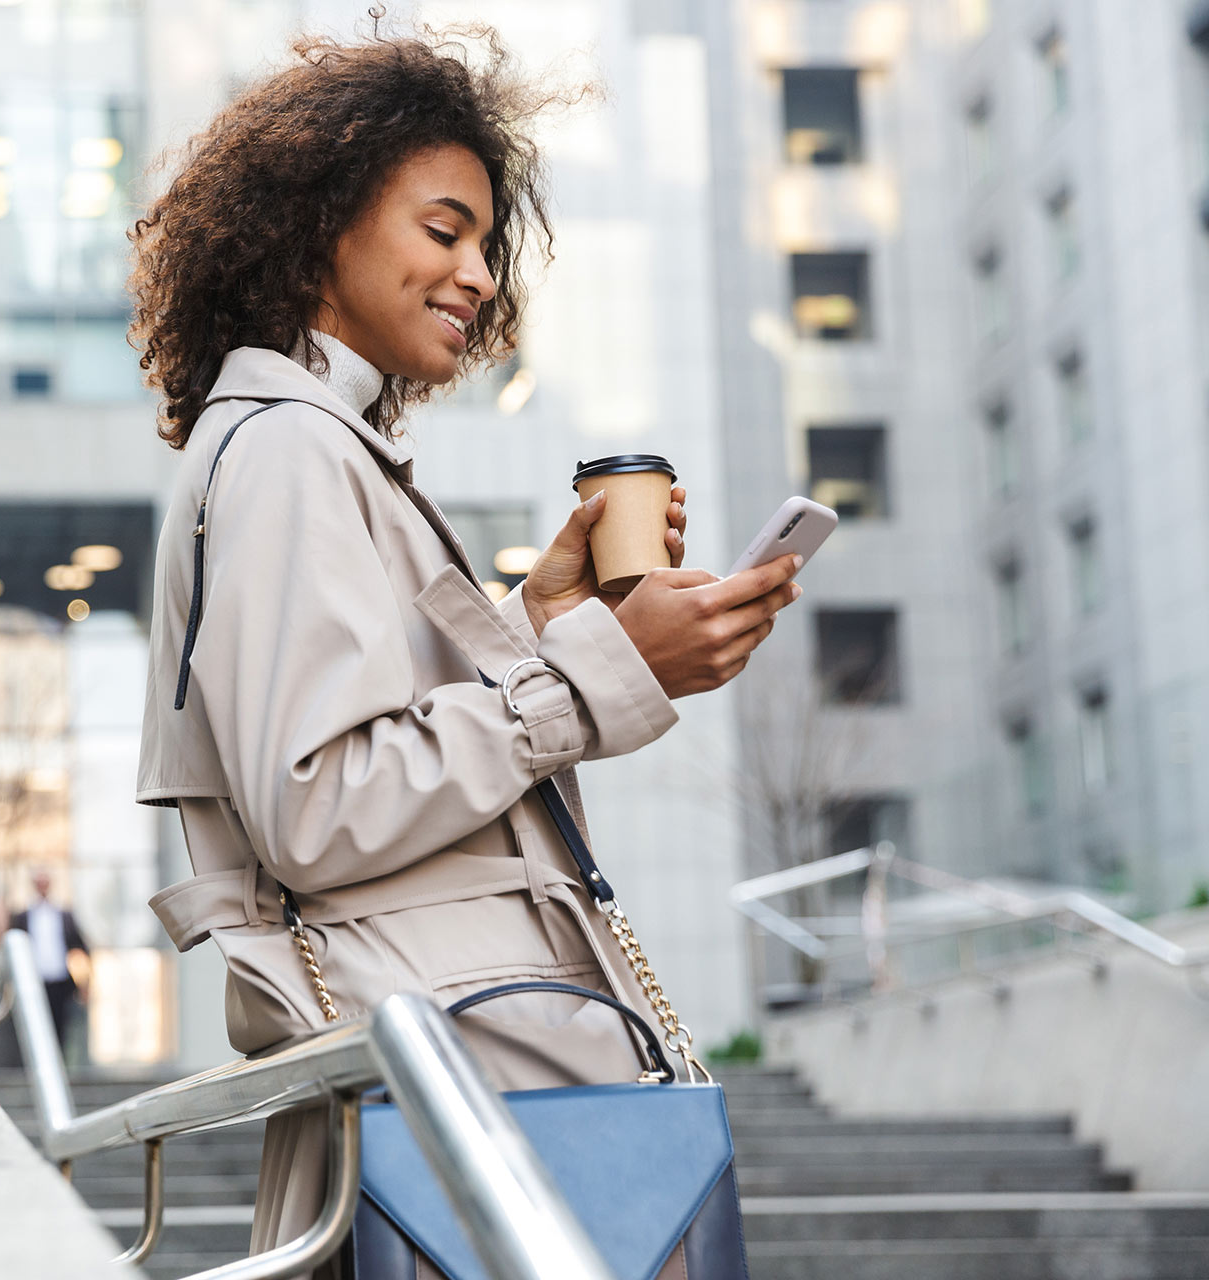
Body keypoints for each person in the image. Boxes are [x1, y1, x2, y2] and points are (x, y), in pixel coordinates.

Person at [129, 21, 803, 1277]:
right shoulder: (288, 447)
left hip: (468, 1077)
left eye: (485, 242)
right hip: (454, 1086)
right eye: (445, 231)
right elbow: (317, 804)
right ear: (317, 223)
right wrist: (606, 672)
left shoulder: (318, 446)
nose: (480, 273)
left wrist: (550, 626)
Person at [9, 870, 91, 1052]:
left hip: (60, 980)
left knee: (59, 1027)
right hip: (33, 981)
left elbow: (82, 948)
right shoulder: (22, 917)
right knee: (34, 1026)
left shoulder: (63, 914)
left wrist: (85, 984)